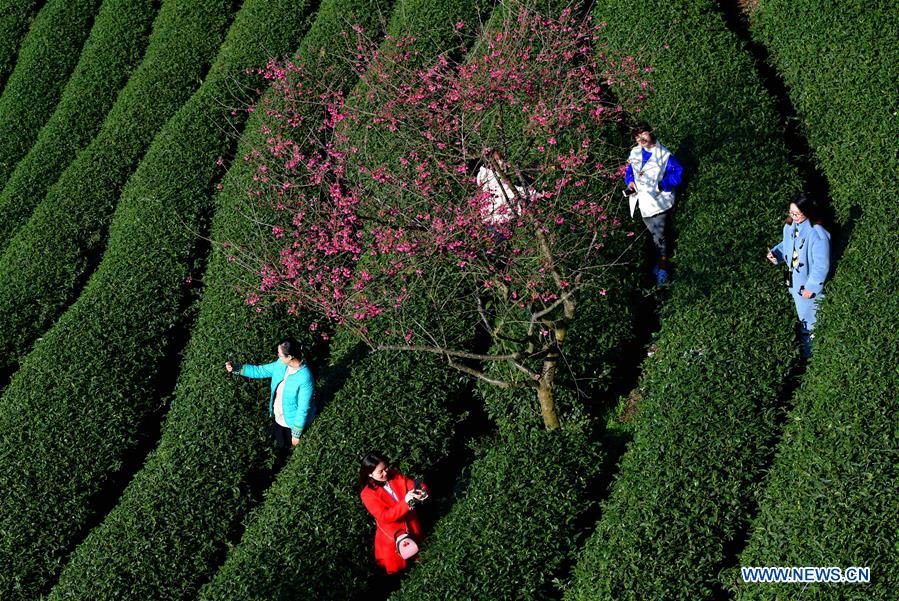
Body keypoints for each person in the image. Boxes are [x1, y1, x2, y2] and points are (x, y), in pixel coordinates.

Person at [767, 192, 831, 358]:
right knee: (804, 318)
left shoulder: (817, 234)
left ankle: (814, 356)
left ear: (807, 211)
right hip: (795, 284)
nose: (793, 216)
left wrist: (811, 287)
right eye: (791, 212)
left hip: (807, 288)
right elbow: (786, 245)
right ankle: (810, 353)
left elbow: (821, 264)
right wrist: (776, 254)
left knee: (811, 321)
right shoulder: (790, 227)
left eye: (797, 213)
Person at [225, 338, 315, 447]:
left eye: (280, 354)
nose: (278, 356)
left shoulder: (305, 377)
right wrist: (236, 368)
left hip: (290, 425)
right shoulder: (281, 364)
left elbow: (303, 408)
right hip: (278, 417)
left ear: (290, 357)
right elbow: (260, 371)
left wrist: (296, 434)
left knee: (285, 449)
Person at [624, 123, 683, 285]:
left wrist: (661, 185)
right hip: (642, 202)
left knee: (660, 237)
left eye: (643, 133)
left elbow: (677, 175)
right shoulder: (635, 152)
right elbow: (629, 172)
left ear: (650, 132)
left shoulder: (664, 155)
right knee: (654, 236)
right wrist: (630, 182)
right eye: (636, 136)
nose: (640, 138)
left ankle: (663, 268)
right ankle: (659, 261)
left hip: (658, 203)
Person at [359, 453, 428, 574]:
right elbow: (384, 517)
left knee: (423, 561)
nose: (385, 473)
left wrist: (422, 490)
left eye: (386, 468)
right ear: (370, 474)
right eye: (380, 472)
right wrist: (405, 502)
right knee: (401, 570)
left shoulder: (394, 475)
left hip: (412, 526)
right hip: (394, 537)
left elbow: (412, 484)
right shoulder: (367, 494)